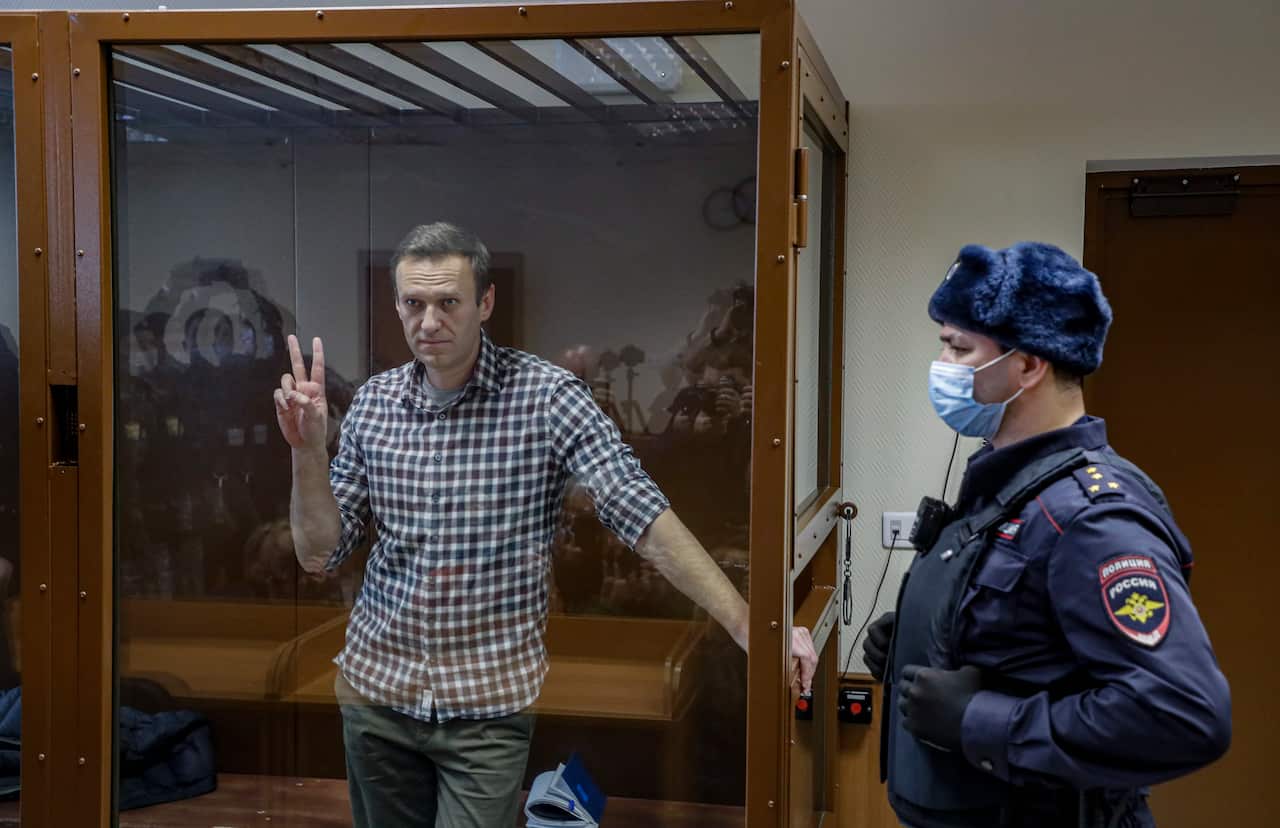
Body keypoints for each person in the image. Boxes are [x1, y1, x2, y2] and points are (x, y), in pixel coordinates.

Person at [273, 222, 818, 828]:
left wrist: (746, 621)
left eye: (448, 302)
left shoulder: (547, 396)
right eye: (413, 303)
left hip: (486, 707)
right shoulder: (375, 404)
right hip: (378, 694)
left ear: (485, 303)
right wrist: (308, 451)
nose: (428, 321)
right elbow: (320, 552)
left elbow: (638, 511)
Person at [862, 242, 1231, 828]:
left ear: (1028, 365)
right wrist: (920, 635)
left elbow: (1184, 714)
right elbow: (1025, 636)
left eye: (960, 347)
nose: (943, 365)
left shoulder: (1091, 518)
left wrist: (980, 721)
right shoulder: (1007, 481)